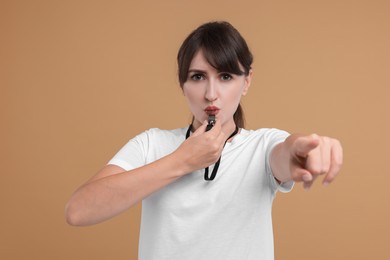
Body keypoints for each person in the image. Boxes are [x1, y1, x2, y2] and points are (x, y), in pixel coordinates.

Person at [65, 21, 343, 260]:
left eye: (225, 76)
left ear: (246, 82)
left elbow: (286, 152)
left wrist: (302, 151)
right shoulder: (152, 144)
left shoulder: (261, 146)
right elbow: (78, 211)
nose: (211, 93)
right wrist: (182, 161)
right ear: (182, 84)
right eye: (198, 77)